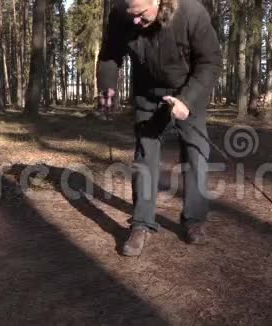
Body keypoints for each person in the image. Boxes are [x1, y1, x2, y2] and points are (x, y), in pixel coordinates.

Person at [97, 0, 222, 256]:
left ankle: (194, 220)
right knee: (145, 156)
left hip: (188, 91)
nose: (134, 21)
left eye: (141, 14)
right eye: (131, 14)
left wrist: (187, 99)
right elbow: (110, 55)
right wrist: (107, 88)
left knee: (195, 152)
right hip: (147, 94)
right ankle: (141, 224)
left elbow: (210, 62)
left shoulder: (191, 13)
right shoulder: (123, 15)